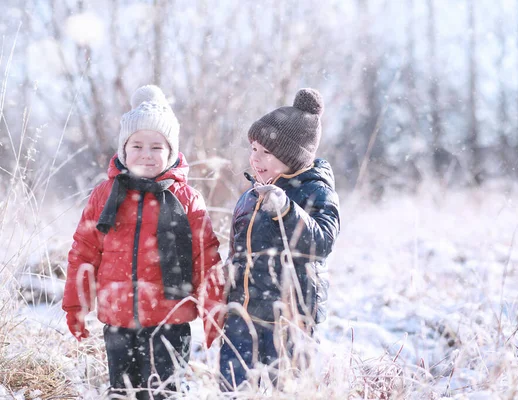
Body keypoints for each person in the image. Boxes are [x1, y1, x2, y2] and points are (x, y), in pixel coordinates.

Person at [61, 85, 223, 399]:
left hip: (170, 318)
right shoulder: (106, 195)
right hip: (117, 318)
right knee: (122, 392)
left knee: (164, 391)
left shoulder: (186, 199)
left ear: (172, 152)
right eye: (137, 145)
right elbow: (83, 253)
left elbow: (206, 258)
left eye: (156, 147)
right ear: (123, 149)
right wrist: (76, 305)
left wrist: (213, 311)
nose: (146, 155)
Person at [219, 88, 341, 390]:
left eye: (266, 153)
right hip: (243, 314)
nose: (255, 159)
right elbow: (239, 247)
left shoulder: (316, 192)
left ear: (292, 156)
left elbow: (322, 242)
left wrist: (286, 210)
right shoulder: (251, 195)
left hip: (288, 319)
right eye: (253, 149)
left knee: (283, 387)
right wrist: (225, 276)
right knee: (233, 385)